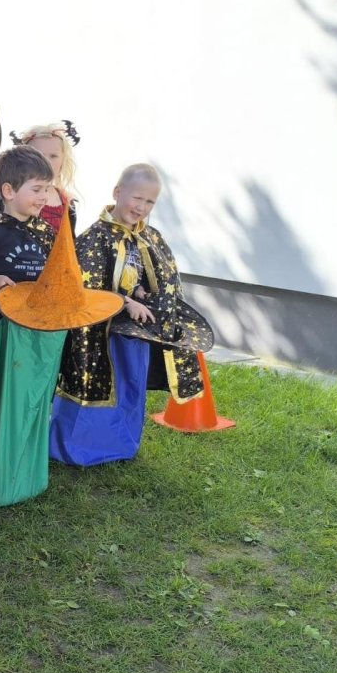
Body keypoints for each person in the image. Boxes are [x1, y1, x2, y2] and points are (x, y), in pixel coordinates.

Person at [0, 148, 122, 505]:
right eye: (36, 189)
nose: (43, 197)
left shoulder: (46, 232)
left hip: (47, 332)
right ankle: (0, 477)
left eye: (46, 189)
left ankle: (28, 475)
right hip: (9, 332)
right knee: (9, 402)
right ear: (9, 191)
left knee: (36, 401)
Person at [50, 163, 214, 466]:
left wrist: (142, 291)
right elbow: (85, 287)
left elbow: (157, 278)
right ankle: (78, 446)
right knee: (95, 384)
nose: (141, 207)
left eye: (150, 202)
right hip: (101, 337)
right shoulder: (95, 236)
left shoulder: (149, 237)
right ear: (117, 192)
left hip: (135, 335)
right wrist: (126, 301)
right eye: (137, 198)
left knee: (130, 384)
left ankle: (121, 444)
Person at [10, 121, 81, 232]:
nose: (46, 162)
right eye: (39, 155)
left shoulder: (67, 203)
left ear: (63, 160)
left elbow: (70, 240)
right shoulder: (13, 195)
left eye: (53, 156)